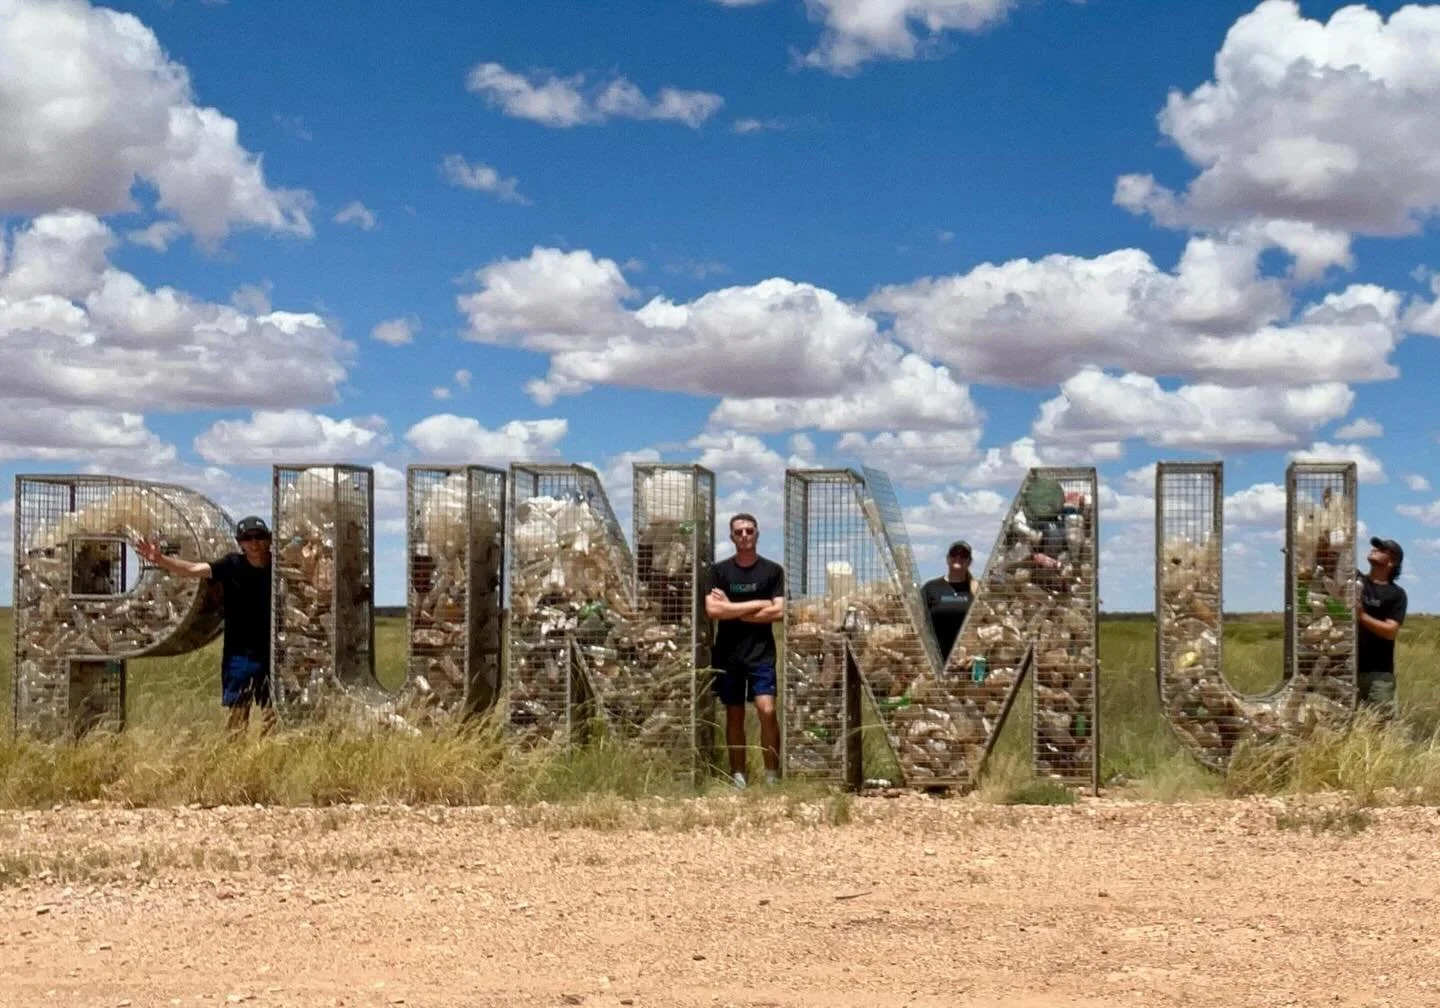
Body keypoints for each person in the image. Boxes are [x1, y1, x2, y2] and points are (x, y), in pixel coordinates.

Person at [134, 515, 275, 732]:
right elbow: (192, 570)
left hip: (273, 652)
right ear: (240, 543)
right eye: (248, 539)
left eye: (259, 537)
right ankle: (236, 752)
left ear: (269, 539)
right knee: (238, 713)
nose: (254, 543)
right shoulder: (232, 565)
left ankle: (269, 751)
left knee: (273, 713)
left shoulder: (279, 567)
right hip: (240, 653)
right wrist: (160, 559)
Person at [705, 513, 785, 789]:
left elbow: (779, 611)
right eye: (739, 532)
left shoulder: (772, 571)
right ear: (731, 537)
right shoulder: (719, 572)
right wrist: (758, 604)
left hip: (761, 654)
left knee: (767, 710)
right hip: (729, 654)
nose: (744, 536)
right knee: (734, 714)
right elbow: (713, 610)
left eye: (749, 531)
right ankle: (739, 776)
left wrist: (732, 608)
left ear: (757, 534)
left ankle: (772, 775)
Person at [1355, 536, 1407, 722]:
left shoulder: (1396, 594)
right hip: (1345, 668)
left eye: (1382, 549)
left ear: (1392, 562)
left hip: (1378, 674)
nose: (1375, 549)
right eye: (1375, 547)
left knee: (1380, 725)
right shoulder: (1356, 580)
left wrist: (1361, 616)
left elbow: (1390, 631)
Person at [922, 540, 978, 662]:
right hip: (934, 660)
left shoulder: (976, 590)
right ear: (948, 559)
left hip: (966, 662)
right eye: (954, 554)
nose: (958, 557)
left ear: (969, 561)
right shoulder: (931, 587)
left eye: (963, 555)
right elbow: (920, 621)